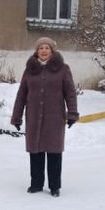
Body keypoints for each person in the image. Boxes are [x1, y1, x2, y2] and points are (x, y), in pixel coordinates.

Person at [10, 37, 79, 197]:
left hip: (55, 118)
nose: (43, 51)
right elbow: (22, 95)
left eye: (47, 48)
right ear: (37, 51)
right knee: (36, 151)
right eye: (41, 48)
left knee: (54, 152)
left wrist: (73, 113)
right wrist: (17, 116)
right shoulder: (30, 70)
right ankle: (36, 184)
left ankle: (55, 186)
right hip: (34, 117)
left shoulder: (63, 69)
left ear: (52, 50)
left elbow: (70, 93)